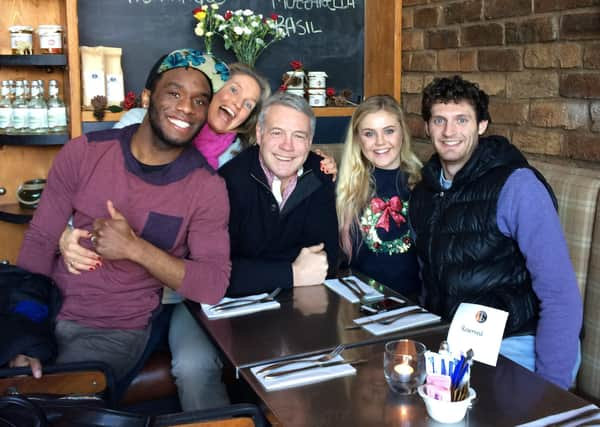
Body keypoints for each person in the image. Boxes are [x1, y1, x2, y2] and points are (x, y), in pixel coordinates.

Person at [11, 48, 231, 384]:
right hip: (48, 309)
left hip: (115, 329)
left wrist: (134, 248)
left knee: (53, 406)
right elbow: (40, 242)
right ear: (147, 97)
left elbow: (212, 284)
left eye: (200, 101)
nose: (187, 108)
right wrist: (23, 335)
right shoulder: (84, 153)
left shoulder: (206, 187)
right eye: (174, 93)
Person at [409, 75, 583, 389]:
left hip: (517, 343)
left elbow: (560, 295)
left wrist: (553, 391)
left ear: (482, 125)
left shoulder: (517, 186)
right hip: (455, 346)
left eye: (462, 119)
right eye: (439, 120)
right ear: (426, 127)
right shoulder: (425, 192)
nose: (449, 132)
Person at [220, 91, 339, 296]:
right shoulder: (227, 181)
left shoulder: (320, 175)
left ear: (310, 141)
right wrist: (292, 272)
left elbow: (324, 261)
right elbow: (215, 273)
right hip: (237, 313)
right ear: (259, 134)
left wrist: (254, 270)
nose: (287, 146)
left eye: (298, 136)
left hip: (303, 304)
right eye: (277, 132)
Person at [336, 95, 422, 298]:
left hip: (415, 306)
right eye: (369, 134)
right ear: (358, 138)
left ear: (402, 132)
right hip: (358, 302)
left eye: (389, 131)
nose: (380, 142)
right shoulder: (344, 187)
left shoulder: (423, 183)